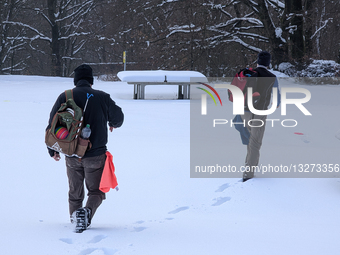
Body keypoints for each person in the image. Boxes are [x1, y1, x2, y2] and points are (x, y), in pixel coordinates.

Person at [46, 64, 124, 230]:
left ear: (76, 80)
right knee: (96, 191)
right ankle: (86, 213)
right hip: (95, 155)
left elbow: (52, 123)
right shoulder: (102, 97)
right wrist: (113, 122)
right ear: (91, 80)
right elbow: (119, 117)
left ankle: (76, 222)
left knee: (75, 193)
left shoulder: (65, 96)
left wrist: (52, 149)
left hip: (71, 154)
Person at [242, 51, 280, 182]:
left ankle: (248, 166)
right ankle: (248, 174)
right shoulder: (272, 77)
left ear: (257, 61)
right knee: (255, 142)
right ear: (268, 63)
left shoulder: (249, 73)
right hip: (260, 111)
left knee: (250, 139)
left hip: (245, 111)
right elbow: (278, 99)